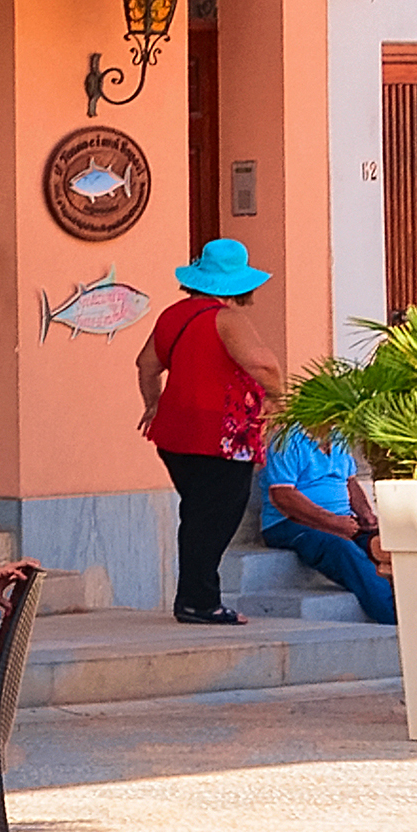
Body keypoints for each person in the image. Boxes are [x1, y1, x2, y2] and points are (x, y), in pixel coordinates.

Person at [139, 238, 281, 625]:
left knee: (199, 514)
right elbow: (263, 365)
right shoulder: (228, 319)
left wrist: (153, 404)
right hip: (221, 433)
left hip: (175, 434)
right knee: (215, 518)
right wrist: (279, 397)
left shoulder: (173, 315)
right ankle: (199, 601)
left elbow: (146, 365)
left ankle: (196, 598)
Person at [257, 409, 399, 624]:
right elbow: (282, 495)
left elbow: (350, 481)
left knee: (387, 545)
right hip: (290, 523)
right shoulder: (286, 439)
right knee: (343, 550)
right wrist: (332, 523)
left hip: (342, 522)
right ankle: (393, 617)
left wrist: (366, 515)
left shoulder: (339, 436)